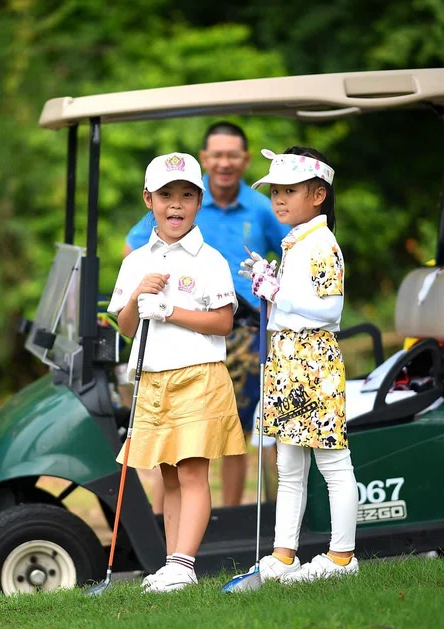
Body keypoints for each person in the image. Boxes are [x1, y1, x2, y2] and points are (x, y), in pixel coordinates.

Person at [124, 121, 289, 509]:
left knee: (236, 429)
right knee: (175, 440)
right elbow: (133, 248)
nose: (224, 163)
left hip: (244, 329)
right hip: (180, 325)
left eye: (232, 155)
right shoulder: (178, 197)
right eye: (217, 155)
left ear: (244, 160)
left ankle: (229, 517)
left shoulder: (260, 207)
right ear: (205, 159)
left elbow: (289, 252)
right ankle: (165, 519)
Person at [108, 152, 247, 593]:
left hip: (197, 376)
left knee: (191, 474)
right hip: (153, 379)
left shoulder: (210, 260)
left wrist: (170, 310)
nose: (176, 204)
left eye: (186, 195)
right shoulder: (135, 262)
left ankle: (184, 565)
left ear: (199, 202)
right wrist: (138, 297)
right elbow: (126, 327)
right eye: (166, 194)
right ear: (148, 199)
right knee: (168, 474)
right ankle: (172, 565)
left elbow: (223, 322)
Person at [241, 146, 359, 583]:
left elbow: (329, 309)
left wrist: (277, 292)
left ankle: (342, 558)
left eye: (289, 191)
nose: (279, 199)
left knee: (332, 463)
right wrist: (271, 283)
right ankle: (283, 556)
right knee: (288, 464)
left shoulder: (322, 243)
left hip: (313, 361)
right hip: (287, 358)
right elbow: (293, 305)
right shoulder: (297, 241)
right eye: (275, 191)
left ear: (318, 195)